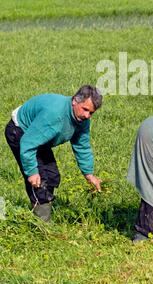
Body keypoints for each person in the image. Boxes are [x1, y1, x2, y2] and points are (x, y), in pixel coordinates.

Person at [5, 85, 102, 222]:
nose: (87, 115)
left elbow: (82, 146)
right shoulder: (55, 115)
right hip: (21, 132)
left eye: (91, 112)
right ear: (75, 100)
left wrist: (89, 174)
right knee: (39, 181)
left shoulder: (82, 120)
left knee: (52, 177)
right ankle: (42, 225)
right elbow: (27, 143)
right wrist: (32, 171)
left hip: (39, 136)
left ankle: (44, 210)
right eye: (85, 109)